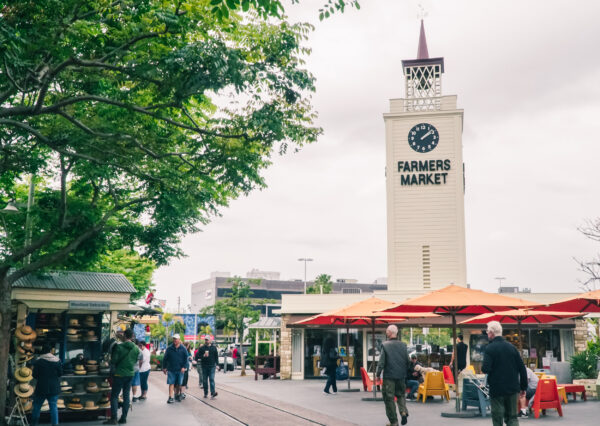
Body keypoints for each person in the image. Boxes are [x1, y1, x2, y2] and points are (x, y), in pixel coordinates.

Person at [482, 321, 527, 426]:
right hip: (512, 388)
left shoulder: (490, 348)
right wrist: (523, 387)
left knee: (497, 418)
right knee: (512, 418)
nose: (487, 334)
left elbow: (485, 369)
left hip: (497, 389)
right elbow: (522, 368)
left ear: (492, 333)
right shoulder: (512, 348)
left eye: (487, 331)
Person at [376, 325, 409, 426]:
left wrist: (378, 374)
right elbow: (407, 361)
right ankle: (403, 412)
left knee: (389, 398)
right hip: (401, 376)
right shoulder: (403, 345)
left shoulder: (385, 345)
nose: (386, 333)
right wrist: (404, 372)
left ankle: (394, 422)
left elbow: (381, 362)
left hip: (389, 377)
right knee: (401, 395)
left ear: (390, 333)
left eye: (387, 331)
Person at [105, 329, 139, 425]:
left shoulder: (119, 347)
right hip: (130, 374)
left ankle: (114, 418)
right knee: (126, 395)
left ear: (124, 335)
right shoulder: (136, 348)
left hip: (119, 374)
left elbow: (114, 361)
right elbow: (135, 360)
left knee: (114, 396)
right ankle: (123, 418)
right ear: (132, 336)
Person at [31, 344, 62, 426]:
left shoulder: (38, 361)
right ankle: (55, 424)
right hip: (54, 387)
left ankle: (33, 424)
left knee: (37, 406)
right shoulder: (57, 360)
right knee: (53, 407)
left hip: (41, 387)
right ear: (50, 351)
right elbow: (60, 374)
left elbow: (34, 375)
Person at [162, 333, 189, 403]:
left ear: (179, 340)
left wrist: (184, 367)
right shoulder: (169, 348)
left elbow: (186, 359)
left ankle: (176, 394)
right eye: (174, 339)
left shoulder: (183, 348)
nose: (174, 340)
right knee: (171, 383)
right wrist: (164, 367)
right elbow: (165, 358)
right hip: (171, 369)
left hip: (180, 369)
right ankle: (170, 397)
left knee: (178, 384)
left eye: (176, 339)